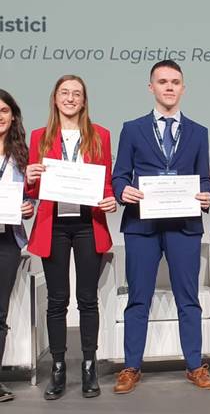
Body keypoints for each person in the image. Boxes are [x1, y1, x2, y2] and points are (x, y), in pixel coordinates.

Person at [111, 60, 210, 393]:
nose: (169, 87)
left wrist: (206, 195)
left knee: (189, 298)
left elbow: (205, 178)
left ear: (183, 88)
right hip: (142, 226)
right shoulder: (132, 128)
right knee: (138, 298)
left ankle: (195, 365)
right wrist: (121, 191)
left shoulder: (199, 132)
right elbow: (119, 176)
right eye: (162, 81)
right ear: (151, 87)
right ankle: (131, 367)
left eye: (175, 82)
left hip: (184, 225)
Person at [25, 76, 116, 399]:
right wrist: (30, 178)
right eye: (65, 93)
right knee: (57, 300)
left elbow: (106, 182)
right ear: (55, 98)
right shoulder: (39, 136)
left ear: (84, 100)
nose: (70, 98)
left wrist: (112, 199)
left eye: (76, 93)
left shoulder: (100, 134)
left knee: (88, 299)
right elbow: (33, 191)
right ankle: (59, 367)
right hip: (54, 226)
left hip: (89, 223)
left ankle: (89, 365)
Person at [0, 90, 35, 403]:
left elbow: (29, 195)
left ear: (13, 116)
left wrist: (28, 206)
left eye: (4, 110)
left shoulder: (21, 154)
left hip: (7, 240)